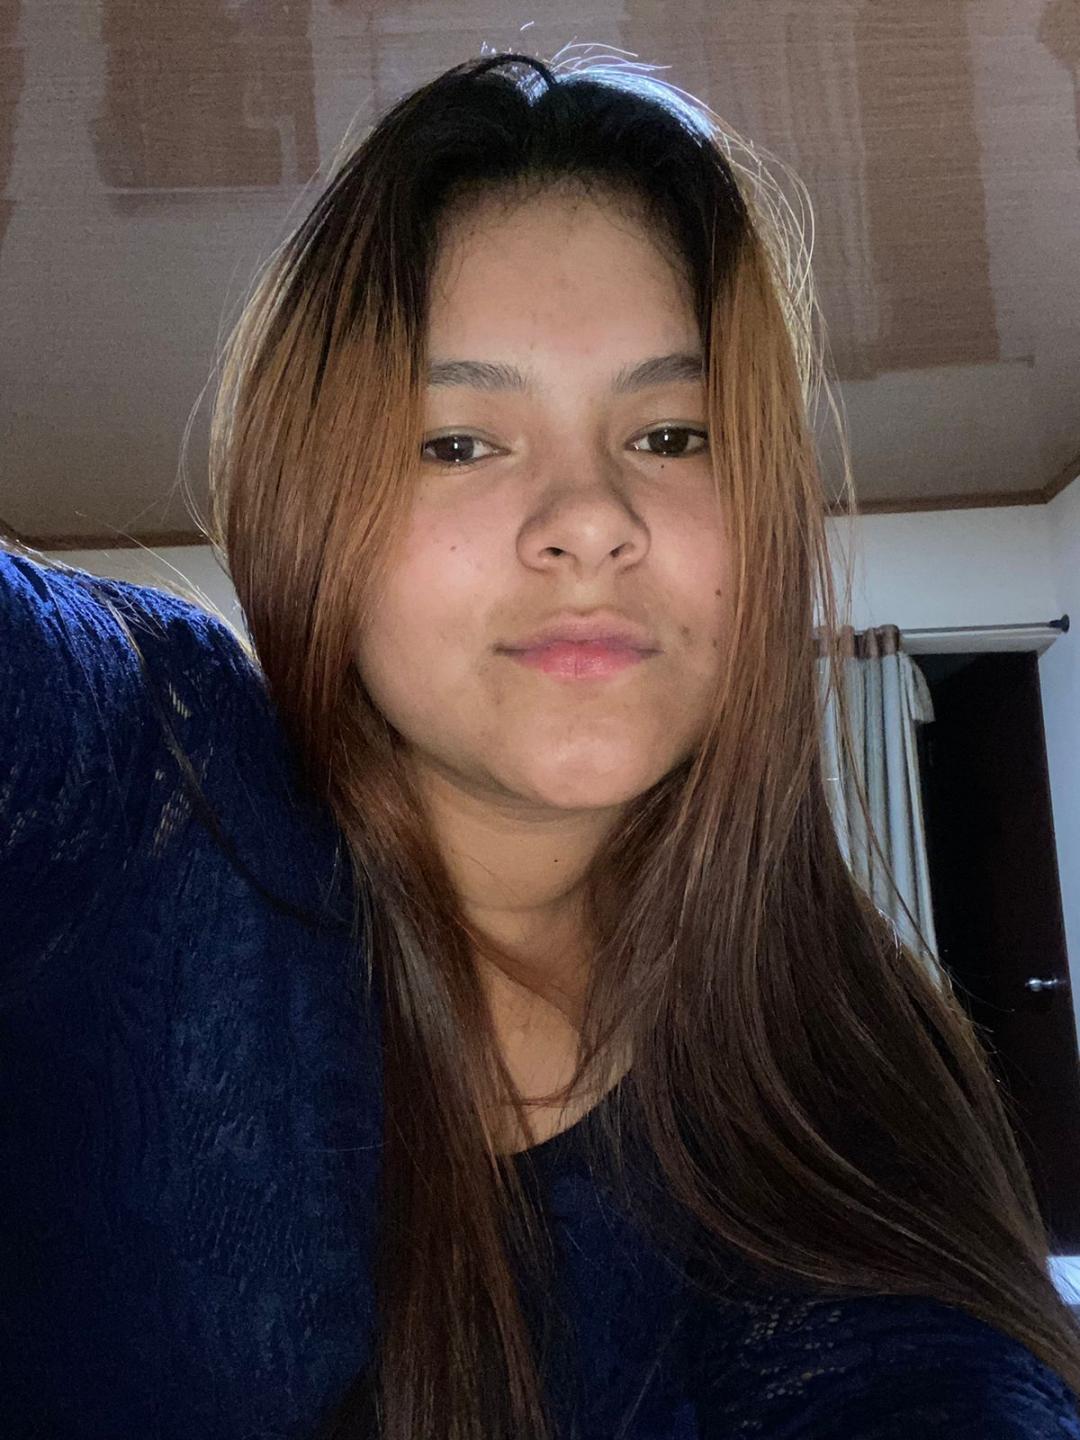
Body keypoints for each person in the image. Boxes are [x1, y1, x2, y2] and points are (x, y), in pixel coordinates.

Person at [1, 48, 1078, 1440]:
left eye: (672, 434)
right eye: (460, 443)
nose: (591, 519)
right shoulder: (152, 777)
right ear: (311, 497)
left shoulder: (853, 1074)